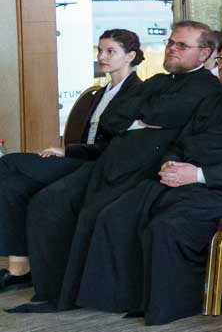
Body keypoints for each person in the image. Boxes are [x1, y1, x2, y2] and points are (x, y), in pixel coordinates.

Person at [72, 36, 222, 326]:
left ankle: (174, 302)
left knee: (167, 224)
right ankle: (123, 296)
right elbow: (182, 139)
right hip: (185, 176)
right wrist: (171, 162)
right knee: (118, 211)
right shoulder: (213, 99)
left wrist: (198, 175)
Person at [13, 22, 222, 314]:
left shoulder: (208, 88)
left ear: (204, 54)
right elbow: (113, 118)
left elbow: (155, 113)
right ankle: (54, 288)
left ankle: (83, 293)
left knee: (93, 212)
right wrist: (140, 118)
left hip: (145, 168)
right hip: (113, 161)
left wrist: (139, 116)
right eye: (171, 43)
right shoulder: (159, 80)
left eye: (182, 46)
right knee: (49, 202)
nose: (172, 49)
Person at [0, 29, 144, 296]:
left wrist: (67, 151)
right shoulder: (102, 92)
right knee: (12, 185)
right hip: (79, 157)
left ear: (130, 56)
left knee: (8, 163)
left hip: (96, 165)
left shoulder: (137, 93)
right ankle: (18, 269)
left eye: (110, 51)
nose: (101, 56)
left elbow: (113, 146)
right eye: (100, 50)